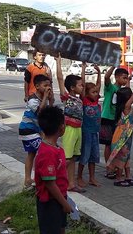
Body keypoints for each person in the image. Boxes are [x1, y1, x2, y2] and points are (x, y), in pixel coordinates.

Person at [34, 106, 72, 234]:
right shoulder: (48, 152)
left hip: (59, 197)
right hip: (51, 202)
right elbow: (49, 183)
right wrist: (64, 204)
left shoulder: (55, 148)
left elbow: (55, 169)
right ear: (62, 127)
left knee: (60, 228)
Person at [107, 69, 133, 187]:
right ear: (127, 98)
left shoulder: (122, 104)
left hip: (127, 135)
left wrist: (128, 80)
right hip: (123, 137)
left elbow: (127, 91)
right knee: (122, 157)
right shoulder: (127, 107)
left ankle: (128, 176)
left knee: (127, 156)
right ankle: (118, 178)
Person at [56, 54, 86, 193]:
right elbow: (60, 79)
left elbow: (83, 82)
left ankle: (71, 184)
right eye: (80, 85)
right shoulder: (66, 97)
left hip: (78, 129)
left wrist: (84, 68)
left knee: (73, 158)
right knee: (67, 158)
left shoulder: (79, 99)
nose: (82, 87)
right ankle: (53, 178)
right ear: (72, 88)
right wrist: (58, 62)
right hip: (69, 129)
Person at [18, 74, 54, 188]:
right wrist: (45, 99)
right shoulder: (33, 99)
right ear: (37, 86)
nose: (48, 87)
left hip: (35, 130)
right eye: (45, 85)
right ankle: (37, 177)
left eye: (49, 85)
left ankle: (28, 179)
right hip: (27, 129)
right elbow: (40, 112)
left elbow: (48, 112)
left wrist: (50, 99)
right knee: (42, 150)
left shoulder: (43, 98)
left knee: (32, 153)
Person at [100, 66, 130, 179]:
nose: (125, 80)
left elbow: (129, 93)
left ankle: (116, 166)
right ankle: (109, 168)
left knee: (117, 144)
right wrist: (113, 65)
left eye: (127, 78)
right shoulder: (110, 88)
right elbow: (106, 77)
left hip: (117, 120)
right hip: (107, 118)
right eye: (124, 78)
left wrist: (129, 81)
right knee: (108, 145)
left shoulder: (122, 91)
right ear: (117, 77)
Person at [77, 62, 102, 188]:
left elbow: (98, 85)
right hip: (86, 132)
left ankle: (92, 178)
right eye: (93, 92)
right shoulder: (85, 100)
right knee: (84, 155)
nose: (96, 94)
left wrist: (98, 72)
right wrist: (83, 69)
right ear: (86, 93)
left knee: (94, 156)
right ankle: (79, 177)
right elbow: (82, 83)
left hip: (95, 132)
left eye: (97, 92)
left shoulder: (96, 100)